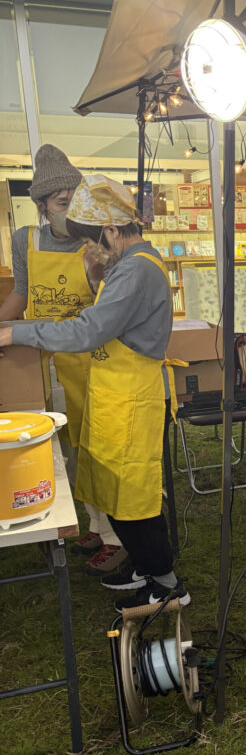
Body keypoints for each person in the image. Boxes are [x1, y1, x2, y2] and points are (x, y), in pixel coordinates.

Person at [0, 174, 188, 609]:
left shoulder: (139, 268)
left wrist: (16, 334)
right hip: (115, 396)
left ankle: (166, 583)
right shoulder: (127, 265)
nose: (90, 248)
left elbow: (90, 329)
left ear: (111, 230)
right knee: (112, 490)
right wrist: (96, 273)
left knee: (134, 499)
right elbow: (108, 316)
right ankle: (144, 566)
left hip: (134, 400)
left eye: (93, 240)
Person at [0, 145, 129, 577]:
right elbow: (22, 290)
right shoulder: (26, 240)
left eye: (76, 200)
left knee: (98, 446)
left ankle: (115, 536)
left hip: (88, 360)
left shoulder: (94, 240)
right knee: (64, 449)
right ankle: (93, 522)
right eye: (61, 203)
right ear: (40, 206)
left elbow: (108, 305)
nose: (71, 210)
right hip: (41, 363)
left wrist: (95, 275)